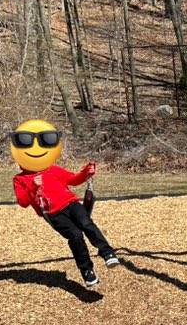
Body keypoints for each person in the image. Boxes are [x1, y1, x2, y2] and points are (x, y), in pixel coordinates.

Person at [9, 119, 119, 288]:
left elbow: (73, 180)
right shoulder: (20, 179)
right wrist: (33, 186)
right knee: (75, 235)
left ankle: (107, 252)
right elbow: (23, 202)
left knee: (86, 224)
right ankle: (87, 271)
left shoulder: (53, 169)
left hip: (71, 203)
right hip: (52, 213)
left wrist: (86, 172)